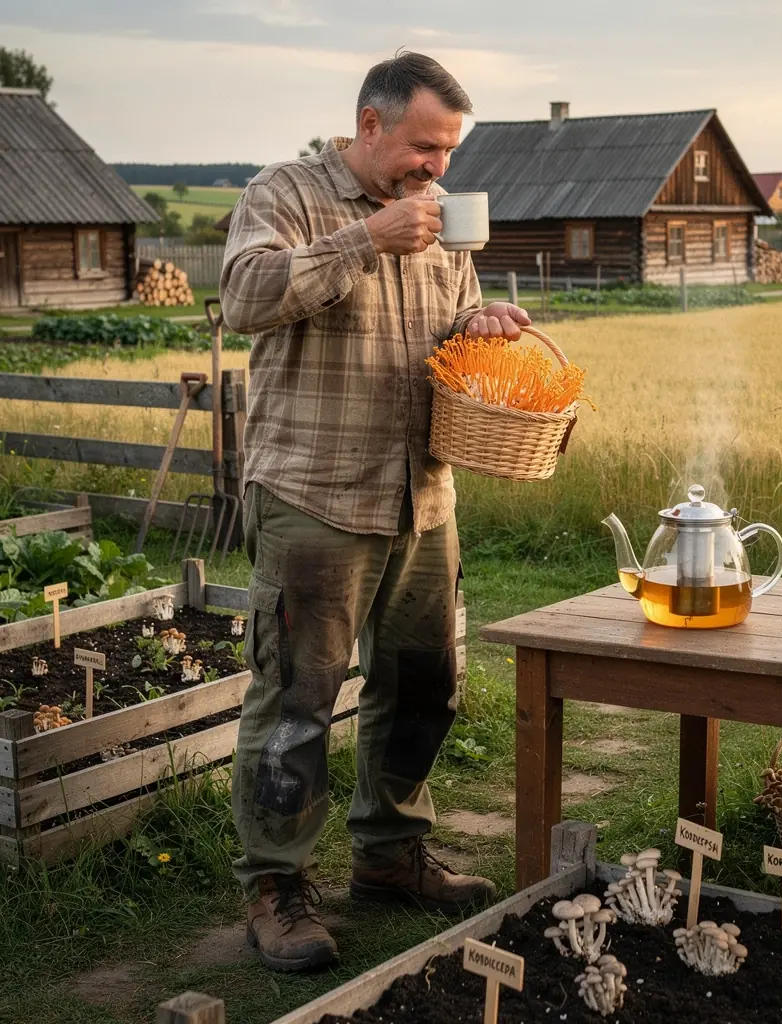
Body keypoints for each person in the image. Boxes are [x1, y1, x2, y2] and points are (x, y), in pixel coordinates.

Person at [220, 51, 531, 972]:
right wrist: (365, 241)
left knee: (424, 685)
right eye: (424, 146)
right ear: (369, 125)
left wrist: (479, 330)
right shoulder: (285, 195)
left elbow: (448, 330)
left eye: (448, 152)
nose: (437, 167)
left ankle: (390, 857)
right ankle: (275, 888)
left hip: (423, 495)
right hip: (314, 494)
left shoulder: (443, 228)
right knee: (297, 702)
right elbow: (242, 301)